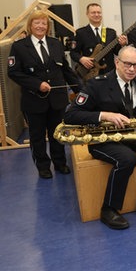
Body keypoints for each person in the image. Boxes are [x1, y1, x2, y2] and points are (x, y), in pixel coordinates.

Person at [64, 46, 136, 230]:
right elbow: (71, 115)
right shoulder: (97, 84)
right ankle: (109, 209)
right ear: (117, 63)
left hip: (132, 135)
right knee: (127, 158)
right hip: (103, 138)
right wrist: (103, 115)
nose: (132, 69)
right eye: (127, 64)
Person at [8, 10, 81, 179]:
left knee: (58, 133)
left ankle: (60, 163)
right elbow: (13, 72)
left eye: (44, 23)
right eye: (37, 23)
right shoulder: (19, 47)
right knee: (37, 136)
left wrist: (81, 90)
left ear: (47, 27)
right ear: (30, 25)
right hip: (33, 100)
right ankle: (43, 166)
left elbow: (66, 70)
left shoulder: (55, 44)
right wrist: (37, 84)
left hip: (57, 99)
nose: (41, 26)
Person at [70, 3, 128, 78]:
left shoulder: (110, 32)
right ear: (87, 14)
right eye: (93, 12)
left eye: (99, 12)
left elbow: (117, 51)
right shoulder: (81, 32)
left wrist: (122, 45)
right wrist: (81, 59)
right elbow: (73, 52)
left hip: (108, 72)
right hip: (90, 73)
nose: (97, 15)